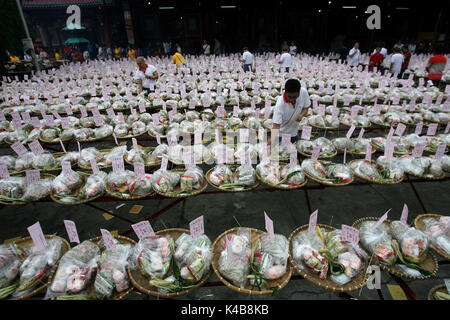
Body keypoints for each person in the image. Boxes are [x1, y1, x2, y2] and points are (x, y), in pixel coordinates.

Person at [268, 78, 311, 146]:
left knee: (295, 150)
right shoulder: (280, 104)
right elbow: (276, 126)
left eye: (295, 97)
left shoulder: (303, 92)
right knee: (282, 152)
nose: (292, 99)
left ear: (299, 92)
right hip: (282, 133)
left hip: (294, 131)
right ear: (285, 92)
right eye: (289, 97)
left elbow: (306, 107)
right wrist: (271, 139)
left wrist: (301, 115)